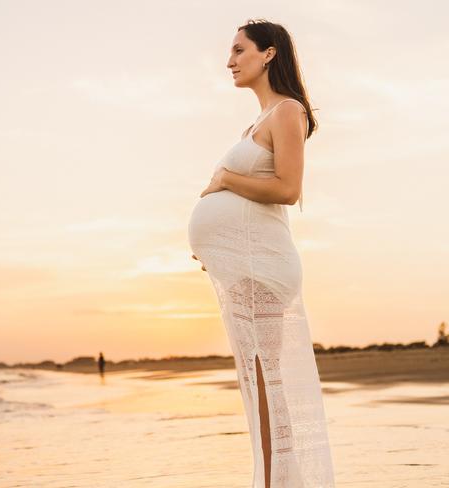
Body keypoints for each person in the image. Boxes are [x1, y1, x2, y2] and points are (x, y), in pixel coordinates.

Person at [187, 18, 335, 488]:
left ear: (268, 53)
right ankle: (271, 479)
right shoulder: (254, 122)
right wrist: (219, 246)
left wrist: (227, 181)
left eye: (238, 50)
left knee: (268, 383)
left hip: (265, 271)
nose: (229, 61)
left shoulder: (287, 112)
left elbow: (288, 189)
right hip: (245, 269)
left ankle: (278, 483)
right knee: (259, 383)